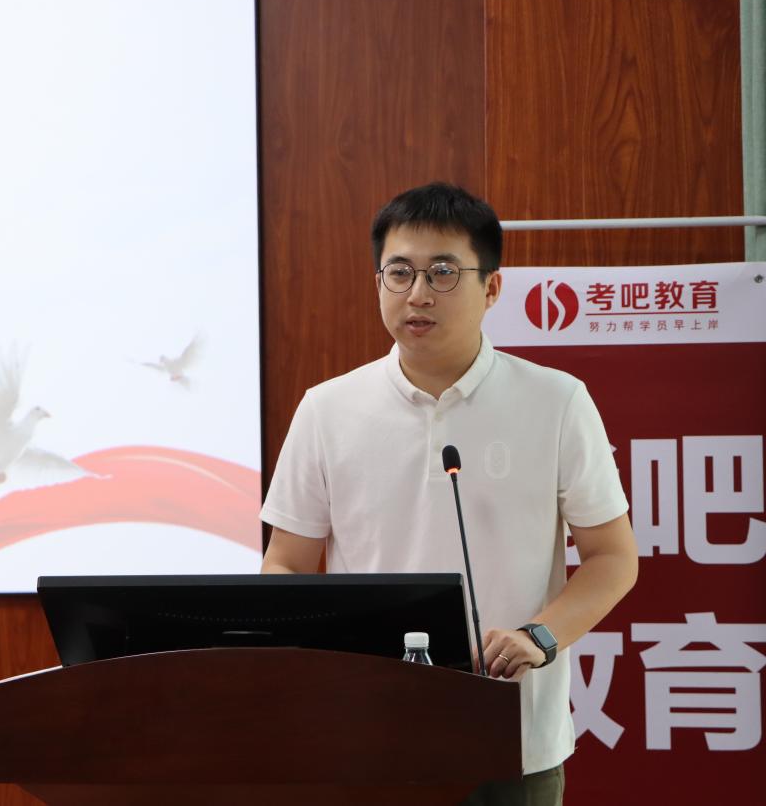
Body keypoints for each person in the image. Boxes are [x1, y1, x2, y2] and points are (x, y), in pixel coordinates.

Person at [260, 182, 638, 806]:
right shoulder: (327, 409)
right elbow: (286, 564)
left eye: (442, 272)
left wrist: (540, 637)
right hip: (368, 735)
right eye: (399, 272)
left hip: (512, 735)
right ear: (378, 282)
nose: (417, 293)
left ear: (492, 287)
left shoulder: (556, 401)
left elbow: (613, 558)